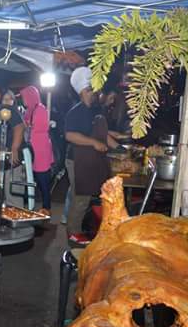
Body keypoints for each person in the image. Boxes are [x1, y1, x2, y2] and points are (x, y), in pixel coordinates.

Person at [64, 67, 119, 245]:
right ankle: (73, 232)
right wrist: (94, 143)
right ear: (80, 93)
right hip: (77, 160)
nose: (92, 94)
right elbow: (70, 135)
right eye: (88, 91)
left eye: (93, 90)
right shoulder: (76, 111)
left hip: (90, 160)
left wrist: (120, 148)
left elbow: (102, 133)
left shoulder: (94, 110)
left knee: (86, 196)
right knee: (81, 197)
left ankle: (82, 227)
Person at [21, 86, 53, 215]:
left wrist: (28, 126)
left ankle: (47, 207)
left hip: (41, 150)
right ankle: (32, 205)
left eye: (24, 97)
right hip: (33, 149)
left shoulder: (40, 109)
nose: (23, 100)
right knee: (32, 178)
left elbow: (40, 127)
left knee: (43, 180)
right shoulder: (29, 110)